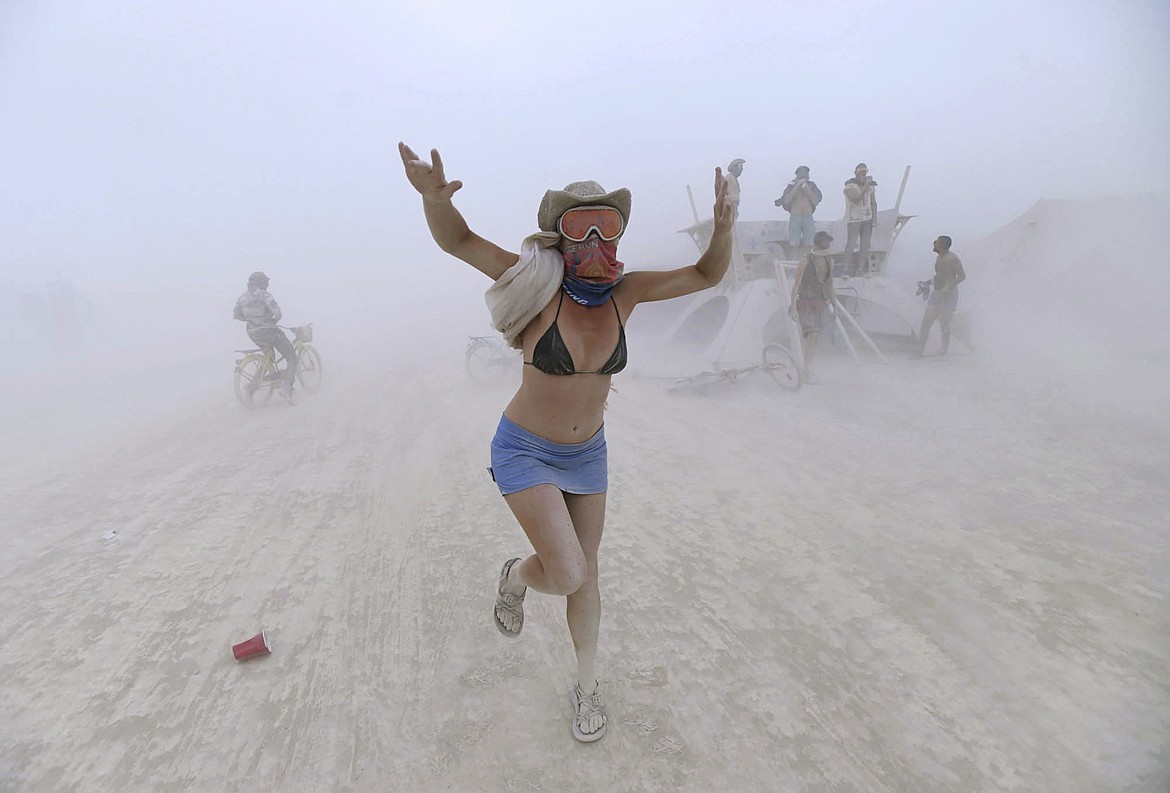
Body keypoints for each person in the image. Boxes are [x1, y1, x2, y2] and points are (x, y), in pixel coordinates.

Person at [398, 141, 734, 743]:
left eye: (609, 229)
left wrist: (723, 228)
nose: (597, 244)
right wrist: (432, 199)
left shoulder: (627, 294)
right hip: (524, 448)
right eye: (581, 229)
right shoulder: (535, 288)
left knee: (587, 578)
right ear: (559, 236)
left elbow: (708, 273)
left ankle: (586, 686)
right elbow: (459, 241)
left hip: (588, 455)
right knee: (569, 571)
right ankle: (518, 577)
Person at [233, 271, 297, 404]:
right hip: (269, 332)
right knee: (291, 357)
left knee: (268, 359)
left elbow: (237, 315)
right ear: (262, 283)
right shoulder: (264, 295)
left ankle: (251, 387)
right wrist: (268, 319)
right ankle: (287, 388)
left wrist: (253, 319)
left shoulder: (242, 298)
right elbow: (277, 313)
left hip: (254, 333)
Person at [788, 230, 836, 383]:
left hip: (820, 301)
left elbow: (830, 285)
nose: (827, 245)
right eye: (825, 242)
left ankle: (803, 367)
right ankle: (803, 369)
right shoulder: (806, 260)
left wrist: (835, 307)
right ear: (818, 244)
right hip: (805, 301)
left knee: (814, 339)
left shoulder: (830, 261)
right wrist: (793, 307)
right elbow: (796, 284)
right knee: (812, 334)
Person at [914, 235, 966, 357]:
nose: (933, 243)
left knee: (945, 324)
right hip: (936, 295)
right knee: (926, 322)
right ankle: (919, 351)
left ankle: (943, 351)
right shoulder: (939, 258)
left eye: (936, 242)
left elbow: (962, 276)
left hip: (948, 297)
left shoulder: (952, 259)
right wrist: (926, 284)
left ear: (942, 245)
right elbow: (940, 276)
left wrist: (948, 286)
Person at [776, 166, 822, 261]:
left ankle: (809, 265)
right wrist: (796, 187)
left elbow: (816, 201)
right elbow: (786, 200)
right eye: (801, 173)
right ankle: (794, 266)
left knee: (809, 243)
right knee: (794, 244)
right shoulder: (791, 186)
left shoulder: (812, 186)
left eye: (805, 173)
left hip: (808, 217)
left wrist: (808, 191)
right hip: (795, 217)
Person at [842, 163, 878, 277]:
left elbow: (873, 202)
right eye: (861, 172)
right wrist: (865, 186)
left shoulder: (870, 186)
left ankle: (860, 270)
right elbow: (856, 199)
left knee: (865, 244)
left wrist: (874, 218)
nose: (864, 174)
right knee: (851, 244)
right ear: (856, 172)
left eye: (865, 172)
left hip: (867, 219)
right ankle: (845, 269)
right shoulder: (850, 186)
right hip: (854, 219)